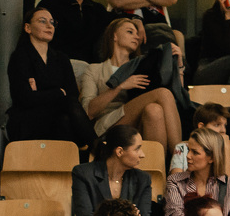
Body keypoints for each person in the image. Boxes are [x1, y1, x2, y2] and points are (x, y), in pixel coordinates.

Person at [78, 16, 182, 154]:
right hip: (108, 125)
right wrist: (120, 87)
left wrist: (179, 65)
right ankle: (180, 156)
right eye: (130, 32)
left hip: (139, 120)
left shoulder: (142, 65)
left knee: (154, 110)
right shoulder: (94, 69)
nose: (137, 37)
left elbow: (177, 94)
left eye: (137, 34)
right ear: (114, 36)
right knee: (163, 93)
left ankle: (157, 165)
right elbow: (88, 112)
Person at [6, 5, 97, 147]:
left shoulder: (61, 58)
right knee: (66, 112)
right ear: (28, 28)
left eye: (52, 22)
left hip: (57, 117)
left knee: (65, 119)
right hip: (28, 120)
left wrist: (41, 93)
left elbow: (72, 94)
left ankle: (94, 149)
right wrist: (58, 92)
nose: (49, 26)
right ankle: (97, 147)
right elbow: (25, 98)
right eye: (42, 21)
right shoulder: (20, 56)